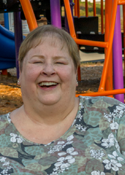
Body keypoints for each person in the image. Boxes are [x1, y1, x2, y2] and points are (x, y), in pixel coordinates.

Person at [0, 25, 125, 175]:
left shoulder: (112, 113)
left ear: (75, 74)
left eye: (60, 62)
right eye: (37, 62)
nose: (48, 70)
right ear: (20, 73)